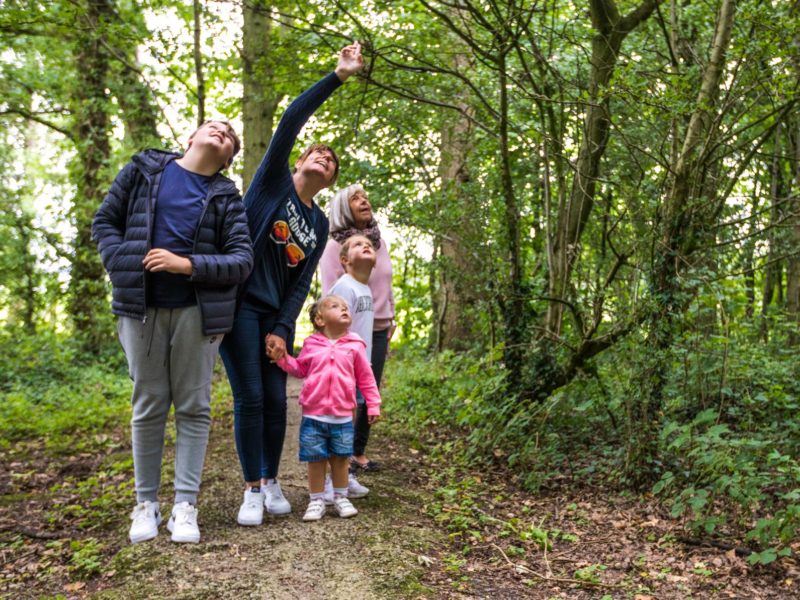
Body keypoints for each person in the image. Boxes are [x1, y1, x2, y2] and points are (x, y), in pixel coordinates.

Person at [222, 42, 364, 527]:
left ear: (330, 181)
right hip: (238, 306)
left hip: (271, 314)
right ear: (300, 161)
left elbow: (302, 282)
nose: (324, 157)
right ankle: (252, 489)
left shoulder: (320, 224)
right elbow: (291, 119)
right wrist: (338, 76)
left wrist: (284, 326)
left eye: (332, 160)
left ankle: (272, 478)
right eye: (317, 152)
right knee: (251, 397)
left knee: (277, 399)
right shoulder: (271, 185)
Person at [92, 120, 254, 544]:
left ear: (229, 157)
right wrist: (124, 261)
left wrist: (187, 265)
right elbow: (105, 222)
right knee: (148, 404)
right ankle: (146, 504)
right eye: (213, 126)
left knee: (194, 407)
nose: (222, 131)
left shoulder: (226, 197)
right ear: (191, 138)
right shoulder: (144, 170)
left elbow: (241, 260)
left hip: (197, 313)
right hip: (139, 308)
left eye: (230, 135)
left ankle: (185, 506)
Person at [272, 295, 381, 521]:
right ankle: (316, 500)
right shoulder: (312, 344)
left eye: (345, 307)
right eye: (335, 306)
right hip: (314, 414)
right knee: (316, 459)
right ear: (320, 319)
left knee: (341, 459)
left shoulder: (355, 345)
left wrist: (373, 404)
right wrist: (283, 359)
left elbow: (366, 378)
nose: (344, 309)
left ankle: (340, 497)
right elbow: (300, 369)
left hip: (342, 415)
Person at [319, 184, 396, 473]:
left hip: (380, 325)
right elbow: (332, 294)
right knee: (349, 393)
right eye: (356, 198)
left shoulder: (378, 242)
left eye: (366, 196)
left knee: (370, 387)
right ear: (342, 208)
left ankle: (357, 451)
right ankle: (339, 456)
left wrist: (392, 317)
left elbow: (386, 280)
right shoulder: (333, 248)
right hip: (353, 329)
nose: (365, 200)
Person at [326, 234, 377, 500]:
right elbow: (330, 327)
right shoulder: (345, 286)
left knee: (349, 424)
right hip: (342, 370)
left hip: (358, 368)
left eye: (368, 244)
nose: (365, 245)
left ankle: (343, 474)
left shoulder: (364, 288)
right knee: (338, 424)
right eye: (357, 244)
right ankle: (327, 479)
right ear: (345, 261)